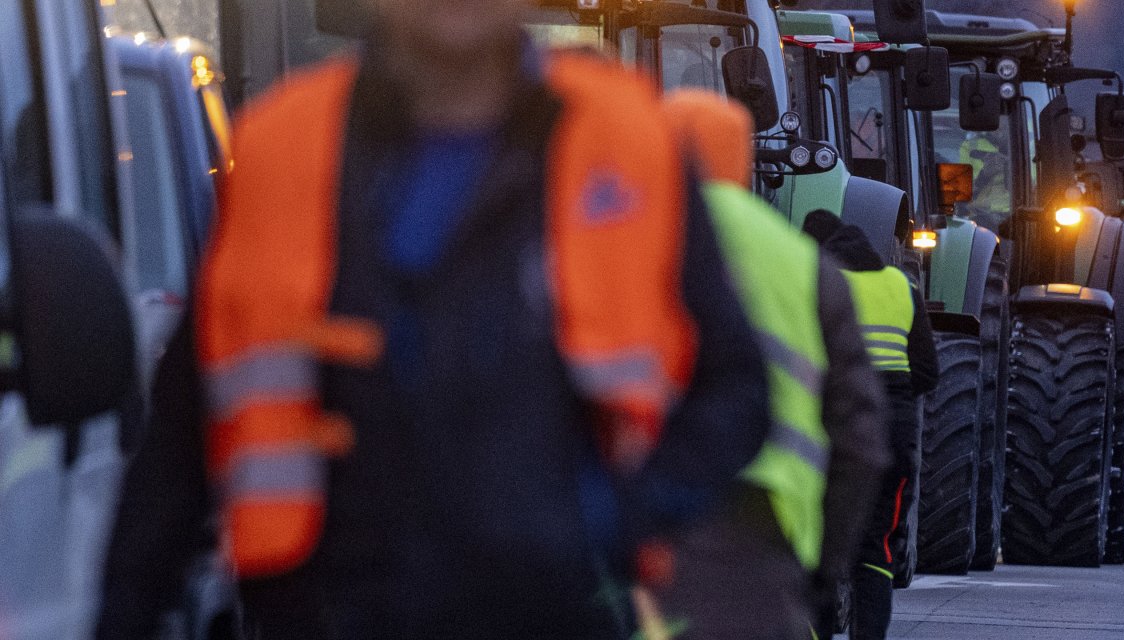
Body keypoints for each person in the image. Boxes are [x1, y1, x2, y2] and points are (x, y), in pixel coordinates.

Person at [95, 3, 773, 638]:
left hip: (552, 614)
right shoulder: (279, 146)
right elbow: (182, 444)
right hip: (331, 615)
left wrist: (616, 523)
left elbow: (734, 385)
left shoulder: (625, 141)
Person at [654, 90, 890, 640]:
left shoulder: (606, 238)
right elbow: (860, 440)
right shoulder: (808, 266)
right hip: (762, 533)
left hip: (630, 523)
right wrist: (821, 572)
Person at [805, 212, 938, 640]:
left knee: (817, 546)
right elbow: (927, 373)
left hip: (833, 427)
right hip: (891, 432)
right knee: (874, 548)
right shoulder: (902, 287)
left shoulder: (818, 283)